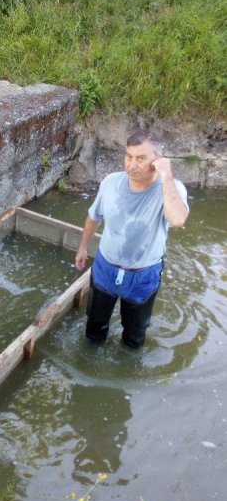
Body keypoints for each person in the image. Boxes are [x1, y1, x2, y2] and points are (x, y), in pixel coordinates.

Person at [75, 129, 189, 348]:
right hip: (105, 268)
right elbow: (93, 217)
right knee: (94, 328)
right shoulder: (110, 183)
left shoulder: (171, 190)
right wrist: (82, 248)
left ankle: (127, 369)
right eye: (129, 156)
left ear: (158, 160)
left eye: (141, 158)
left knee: (134, 337)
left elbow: (177, 220)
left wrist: (166, 176)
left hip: (143, 275)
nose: (131, 165)